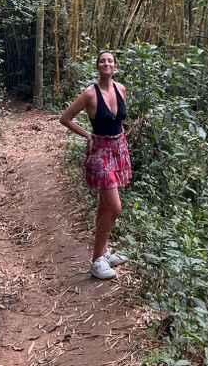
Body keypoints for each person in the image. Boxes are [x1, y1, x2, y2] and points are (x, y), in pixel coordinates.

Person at [60, 49, 132, 279]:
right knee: (114, 207)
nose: (106, 64)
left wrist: (121, 140)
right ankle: (96, 261)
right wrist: (87, 135)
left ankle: (103, 252)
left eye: (110, 60)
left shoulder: (121, 89)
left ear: (115, 66)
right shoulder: (90, 93)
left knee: (104, 206)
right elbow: (65, 118)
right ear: (97, 66)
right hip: (100, 153)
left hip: (118, 150)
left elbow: (118, 121)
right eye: (102, 61)